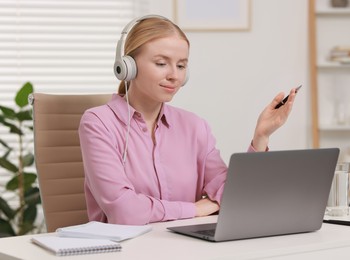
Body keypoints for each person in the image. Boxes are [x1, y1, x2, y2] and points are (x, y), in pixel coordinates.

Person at [78, 15, 297, 225]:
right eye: (161, 63)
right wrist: (195, 209)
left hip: (186, 246)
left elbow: (232, 195)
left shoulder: (195, 127)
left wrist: (261, 136)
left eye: (181, 65)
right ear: (128, 66)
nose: (174, 75)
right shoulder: (98, 123)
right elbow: (123, 211)